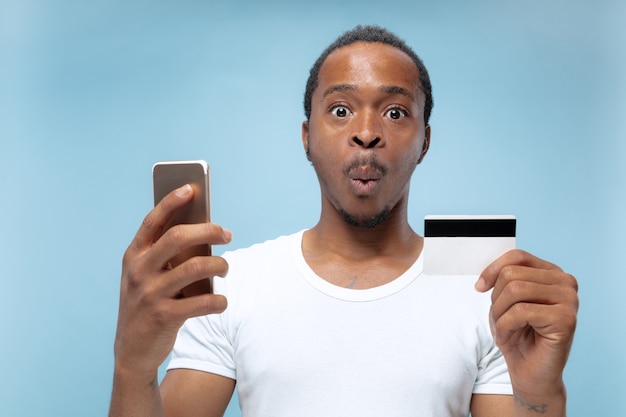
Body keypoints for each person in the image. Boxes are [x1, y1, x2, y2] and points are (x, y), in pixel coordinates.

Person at [109, 25, 579, 417]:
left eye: (396, 112)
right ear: (307, 137)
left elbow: (532, 398)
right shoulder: (231, 287)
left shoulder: (485, 292)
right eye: (340, 110)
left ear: (425, 141)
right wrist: (132, 367)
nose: (367, 132)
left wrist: (542, 394)